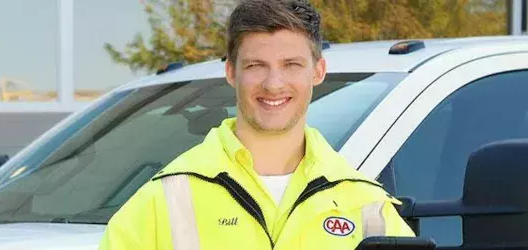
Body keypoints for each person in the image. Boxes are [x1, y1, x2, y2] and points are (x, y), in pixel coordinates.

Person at [98, 0, 415, 249]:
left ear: (318, 71)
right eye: (256, 65)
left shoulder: (369, 208)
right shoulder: (162, 201)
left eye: (291, 65)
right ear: (231, 73)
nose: (274, 84)